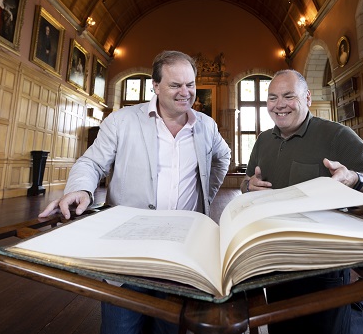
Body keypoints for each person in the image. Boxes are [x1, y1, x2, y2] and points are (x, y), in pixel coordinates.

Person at [39, 50, 231, 334]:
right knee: (121, 327)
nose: (185, 92)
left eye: (190, 84)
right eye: (175, 85)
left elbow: (223, 157)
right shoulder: (122, 120)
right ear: (155, 86)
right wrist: (81, 189)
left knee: (169, 328)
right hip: (127, 250)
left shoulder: (206, 124)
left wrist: (206, 195)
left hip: (181, 252)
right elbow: (91, 162)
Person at [241, 69, 363, 334]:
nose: (279, 104)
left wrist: (354, 178)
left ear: (307, 99)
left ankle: (360, 305)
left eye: (288, 96)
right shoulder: (262, 141)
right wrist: (247, 185)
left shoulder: (336, 136)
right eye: (272, 98)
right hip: (276, 259)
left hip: (322, 264)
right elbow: (246, 183)